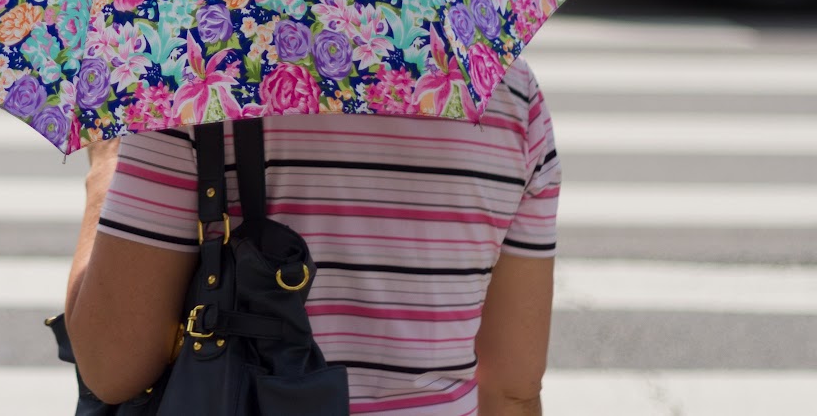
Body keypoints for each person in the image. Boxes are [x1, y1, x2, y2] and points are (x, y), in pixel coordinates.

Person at [64, 58, 559, 416]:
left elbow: (111, 366)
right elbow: (512, 389)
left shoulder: (194, 87)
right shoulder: (508, 95)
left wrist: (105, 168)